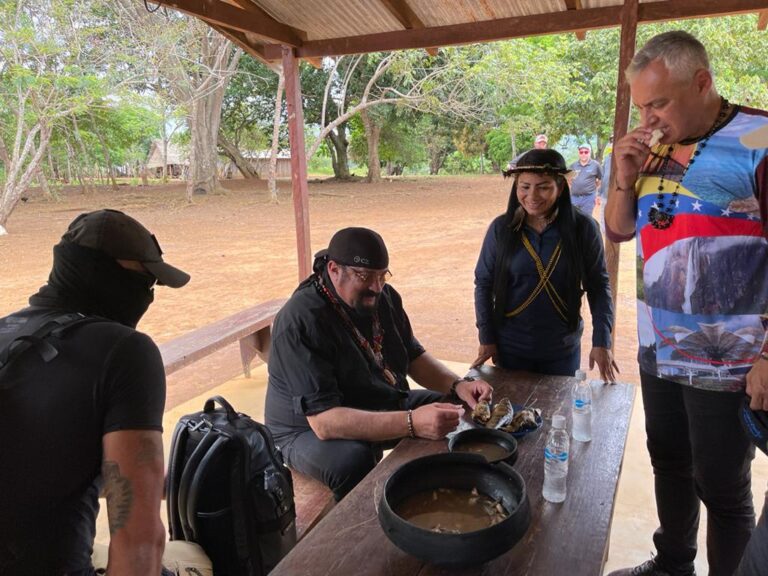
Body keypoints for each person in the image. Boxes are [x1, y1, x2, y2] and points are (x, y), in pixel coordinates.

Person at [604, 30, 768, 576]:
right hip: (659, 344)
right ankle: (673, 561)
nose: (648, 118)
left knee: (722, 486)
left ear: (702, 83)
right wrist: (624, 180)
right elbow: (619, 229)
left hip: (730, 358)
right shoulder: (649, 147)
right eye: (642, 105)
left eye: (659, 103)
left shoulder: (760, 139)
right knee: (668, 462)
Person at [0, 209, 190, 576]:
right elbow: (139, 542)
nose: (146, 296)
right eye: (145, 282)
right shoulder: (125, 352)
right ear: (103, 275)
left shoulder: (6, 331)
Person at [265, 227, 493, 501]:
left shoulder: (384, 297)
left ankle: (439, 494)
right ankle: (358, 531)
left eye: (382, 276)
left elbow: (413, 356)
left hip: (366, 398)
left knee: (452, 408)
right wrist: (411, 423)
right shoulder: (301, 320)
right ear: (334, 269)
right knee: (353, 459)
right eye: (365, 277)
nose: (376, 287)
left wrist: (458, 385)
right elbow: (325, 423)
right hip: (303, 428)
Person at [473, 148, 618, 382]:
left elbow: (599, 287)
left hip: (562, 351)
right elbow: (483, 284)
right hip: (510, 349)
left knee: (557, 415)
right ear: (516, 188)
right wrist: (486, 338)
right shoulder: (501, 229)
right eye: (525, 187)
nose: (532, 196)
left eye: (543, 187)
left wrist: (602, 341)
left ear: (560, 188)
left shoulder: (584, 229)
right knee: (510, 415)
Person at [569, 143, 603, 216]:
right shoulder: (573, 165)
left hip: (588, 198)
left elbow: (600, 180)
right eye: (581, 152)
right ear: (579, 153)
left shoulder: (596, 165)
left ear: (589, 153)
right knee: (573, 218)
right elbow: (568, 179)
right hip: (574, 198)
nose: (583, 154)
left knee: (586, 220)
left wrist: (596, 192)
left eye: (586, 152)